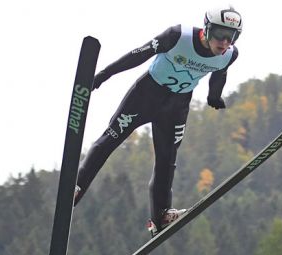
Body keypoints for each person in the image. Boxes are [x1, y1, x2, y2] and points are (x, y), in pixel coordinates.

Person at [74, 5, 242, 237]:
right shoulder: (177, 36)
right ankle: (77, 187)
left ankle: (160, 216)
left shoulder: (230, 55)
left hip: (176, 108)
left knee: (167, 160)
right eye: (219, 35)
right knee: (111, 139)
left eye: (231, 37)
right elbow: (139, 54)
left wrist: (213, 96)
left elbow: (219, 73)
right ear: (206, 28)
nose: (224, 42)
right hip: (145, 97)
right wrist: (105, 74)